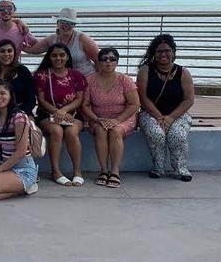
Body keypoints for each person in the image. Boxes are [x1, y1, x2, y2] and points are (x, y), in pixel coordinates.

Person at [136, 34, 195, 182]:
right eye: (159, 51)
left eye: (167, 51)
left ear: (173, 52)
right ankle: (158, 167)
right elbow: (142, 98)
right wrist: (159, 117)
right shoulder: (145, 71)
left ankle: (181, 168)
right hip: (150, 113)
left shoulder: (183, 73)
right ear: (154, 54)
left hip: (177, 114)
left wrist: (170, 117)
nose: (163, 54)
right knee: (157, 134)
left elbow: (189, 100)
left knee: (178, 135)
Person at [81, 48, 139, 188]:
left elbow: (134, 104)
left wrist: (117, 120)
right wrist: (96, 119)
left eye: (112, 59)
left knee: (116, 131)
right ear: (98, 62)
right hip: (98, 118)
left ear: (117, 62)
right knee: (100, 131)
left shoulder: (124, 80)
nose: (108, 61)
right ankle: (103, 170)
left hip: (123, 117)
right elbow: (85, 105)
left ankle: (115, 171)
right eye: (104, 59)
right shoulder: (89, 80)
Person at [35, 43, 87, 186]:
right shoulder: (42, 76)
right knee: (56, 131)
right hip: (47, 113)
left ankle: (77, 172)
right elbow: (41, 99)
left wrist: (64, 111)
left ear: (67, 57)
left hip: (73, 114)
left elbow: (79, 99)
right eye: (54, 55)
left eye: (62, 55)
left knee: (71, 132)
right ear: (49, 57)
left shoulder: (76, 75)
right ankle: (56, 171)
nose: (58, 58)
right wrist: (57, 112)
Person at [29, 8, 99, 76]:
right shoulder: (52, 39)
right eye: (63, 22)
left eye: (70, 23)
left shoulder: (83, 39)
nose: (66, 25)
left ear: (74, 25)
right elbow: (33, 50)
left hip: (86, 77)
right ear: (58, 23)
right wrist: (20, 40)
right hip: (64, 80)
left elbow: (99, 61)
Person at [0, 39, 37, 117]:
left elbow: (31, 100)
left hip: (22, 113)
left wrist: (19, 114)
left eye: (9, 51)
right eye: (2, 51)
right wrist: (2, 115)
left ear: (14, 53)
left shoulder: (22, 71)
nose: (6, 54)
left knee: (35, 129)